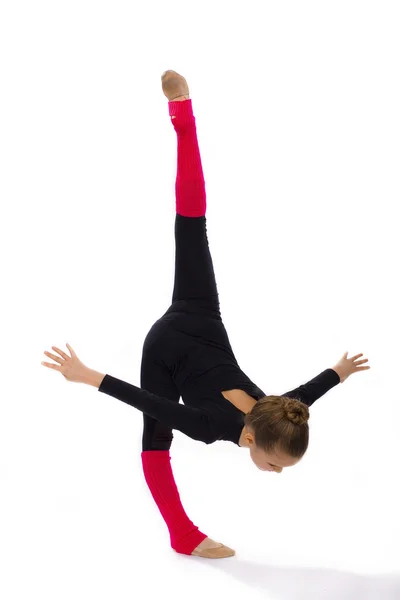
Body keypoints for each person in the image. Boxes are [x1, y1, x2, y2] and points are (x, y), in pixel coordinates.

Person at [41, 70, 370, 559]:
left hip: (193, 324)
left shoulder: (277, 408)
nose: (275, 473)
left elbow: (306, 395)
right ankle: (183, 115)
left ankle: (181, 535)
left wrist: (337, 374)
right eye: (275, 464)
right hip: (186, 328)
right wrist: (89, 376)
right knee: (191, 229)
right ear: (255, 437)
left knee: (193, 233)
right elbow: (147, 402)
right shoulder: (211, 426)